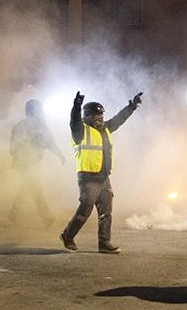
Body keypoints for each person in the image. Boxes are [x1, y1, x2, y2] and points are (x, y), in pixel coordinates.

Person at [59, 90, 142, 254]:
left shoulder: (105, 129)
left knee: (106, 212)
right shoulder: (80, 131)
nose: (101, 119)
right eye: (97, 117)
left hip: (103, 176)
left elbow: (119, 120)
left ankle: (104, 243)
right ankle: (67, 236)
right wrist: (76, 107)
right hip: (88, 177)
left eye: (102, 116)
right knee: (85, 210)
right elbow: (74, 121)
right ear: (88, 117)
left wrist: (131, 107)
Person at [8, 99, 65, 227]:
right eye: (39, 110)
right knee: (36, 189)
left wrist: (59, 154)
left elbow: (49, 142)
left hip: (30, 163)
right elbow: (14, 148)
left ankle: (13, 214)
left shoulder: (37, 125)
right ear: (34, 111)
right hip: (26, 164)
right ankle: (47, 217)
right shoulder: (24, 127)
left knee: (26, 188)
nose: (42, 112)